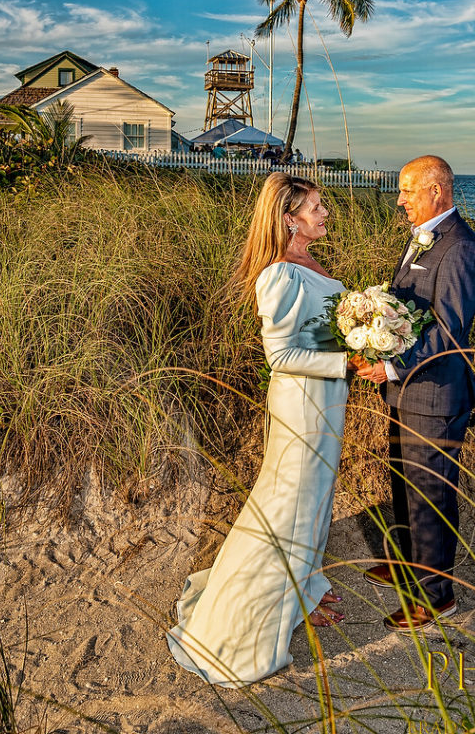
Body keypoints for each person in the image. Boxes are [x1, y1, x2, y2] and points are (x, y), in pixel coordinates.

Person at [167, 173, 358, 686]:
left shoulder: (308, 264)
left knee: (314, 502)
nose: (324, 214)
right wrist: (347, 365)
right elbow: (282, 356)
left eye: (322, 205)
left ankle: (303, 590)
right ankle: (240, 626)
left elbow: (316, 336)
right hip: (302, 403)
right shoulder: (278, 275)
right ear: (288, 218)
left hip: (326, 400)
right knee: (286, 506)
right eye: (315, 207)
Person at [357, 155, 475, 631]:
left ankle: (437, 597)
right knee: (400, 481)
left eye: (407, 191)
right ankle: (406, 563)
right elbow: (407, 307)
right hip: (405, 391)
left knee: (430, 492)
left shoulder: (462, 248)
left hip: (434, 393)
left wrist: (389, 364)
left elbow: (450, 330)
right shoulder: (422, 238)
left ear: (436, 191)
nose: (400, 200)